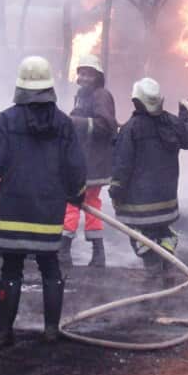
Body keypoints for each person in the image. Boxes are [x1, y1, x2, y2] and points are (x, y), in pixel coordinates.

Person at [0, 56, 86, 346]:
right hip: (48, 210)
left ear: (21, 85)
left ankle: (5, 332)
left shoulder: (5, 120)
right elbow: (76, 167)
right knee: (50, 266)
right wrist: (76, 193)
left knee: (11, 268)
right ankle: (52, 331)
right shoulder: (64, 124)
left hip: (14, 209)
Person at [109, 78, 188, 274]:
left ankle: (152, 267)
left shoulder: (131, 128)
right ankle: (166, 252)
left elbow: (122, 164)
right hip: (166, 200)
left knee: (138, 234)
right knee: (161, 230)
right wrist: (186, 116)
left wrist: (116, 189)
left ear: (136, 101)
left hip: (139, 203)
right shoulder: (172, 122)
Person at [59, 55, 117, 268]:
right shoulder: (82, 96)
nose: (84, 77)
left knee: (71, 202)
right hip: (86, 161)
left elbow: (106, 126)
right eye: (81, 73)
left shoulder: (101, 95)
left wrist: (76, 122)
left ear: (97, 77)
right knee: (91, 204)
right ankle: (98, 254)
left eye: (89, 74)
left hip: (92, 163)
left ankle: (64, 251)